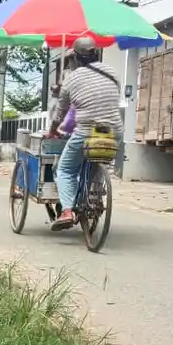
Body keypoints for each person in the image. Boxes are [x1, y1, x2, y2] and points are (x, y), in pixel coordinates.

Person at [47, 37, 122, 230]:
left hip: (87, 131)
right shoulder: (112, 73)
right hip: (114, 130)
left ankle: (67, 211)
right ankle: (93, 191)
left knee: (65, 169)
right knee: (96, 163)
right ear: (96, 54)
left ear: (76, 58)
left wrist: (53, 131)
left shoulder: (71, 79)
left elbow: (60, 113)